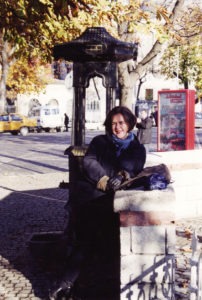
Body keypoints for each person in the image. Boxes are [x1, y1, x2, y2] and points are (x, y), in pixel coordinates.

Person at [49, 106, 146, 300]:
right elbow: (89, 162)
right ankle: (64, 285)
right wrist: (103, 179)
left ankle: (103, 289)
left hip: (116, 204)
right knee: (84, 242)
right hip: (92, 200)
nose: (117, 127)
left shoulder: (137, 148)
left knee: (109, 247)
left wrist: (122, 175)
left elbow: (135, 166)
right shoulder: (100, 141)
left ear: (129, 124)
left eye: (121, 123)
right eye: (113, 124)